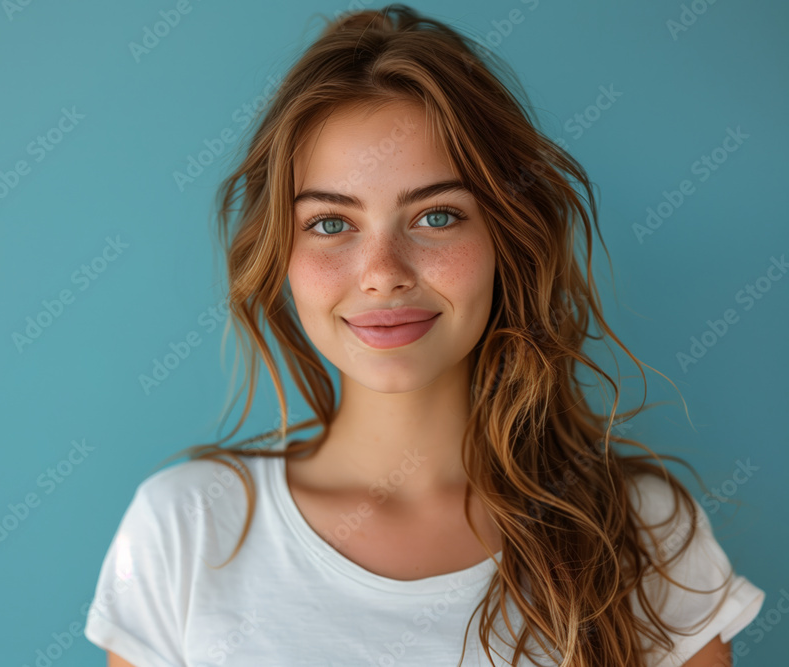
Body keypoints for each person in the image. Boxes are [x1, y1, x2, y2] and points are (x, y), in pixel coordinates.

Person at [83, 5, 765, 665]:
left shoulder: (643, 534)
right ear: (278, 253)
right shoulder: (186, 527)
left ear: (507, 237)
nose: (382, 274)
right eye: (330, 222)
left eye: (437, 216)